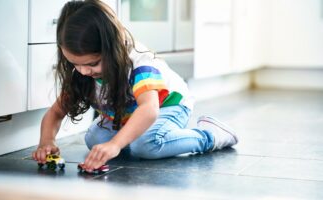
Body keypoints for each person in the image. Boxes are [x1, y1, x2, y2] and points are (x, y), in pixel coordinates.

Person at [32, 0, 238, 172]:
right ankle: (143, 137)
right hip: (129, 114)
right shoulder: (82, 72)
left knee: (145, 146)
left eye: (92, 64)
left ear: (112, 49)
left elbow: (149, 109)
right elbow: (55, 113)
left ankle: (209, 135)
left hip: (169, 105)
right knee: (95, 140)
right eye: (74, 64)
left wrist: (115, 144)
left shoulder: (140, 63)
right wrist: (46, 141)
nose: (84, 71)